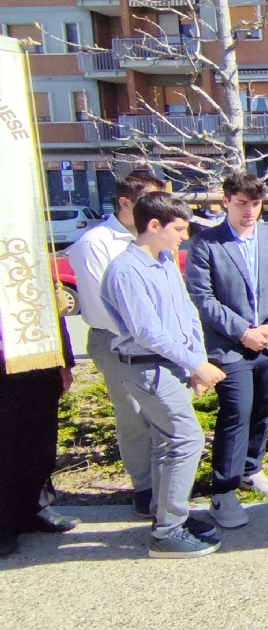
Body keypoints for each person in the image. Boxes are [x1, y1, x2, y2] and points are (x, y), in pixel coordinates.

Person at [101, 192, 226, 559]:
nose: (183, 237)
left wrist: (195, 362)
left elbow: (186, 312)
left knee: (167, 443)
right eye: (179, 228)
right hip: (147, 368)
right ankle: (168, 530)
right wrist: (196, 365)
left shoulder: (165, 259)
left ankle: (167, 516)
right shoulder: (127, 269)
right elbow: (147, 332)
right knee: (185, 440)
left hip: (169, 365)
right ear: (153, 226)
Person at [184, 171, 268, 528]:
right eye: (242, 204)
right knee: (236, 412)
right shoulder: (206, 243)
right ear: (226, 202)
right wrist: (242, 331)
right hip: (230, 347)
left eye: (255, 204)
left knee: (262, 410)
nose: (249, 211)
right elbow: (201, 297)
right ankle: (224, 490)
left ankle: (252, 469)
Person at [67, 172, 166, 516]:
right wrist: (150, 335)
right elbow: (102, 306)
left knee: (162, 414)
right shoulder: (96, 242)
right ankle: (145, 487)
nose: (159, 208)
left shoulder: (152, 236)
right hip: (116, 341)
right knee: (134, 416)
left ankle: (167, 486)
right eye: (150, 199)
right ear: (126, 202)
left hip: (157, 340)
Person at [0, 314, 76, 558]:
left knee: (38, 443)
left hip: (36, 358)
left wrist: (64, 360)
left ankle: (31, 510)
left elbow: (50, 303)